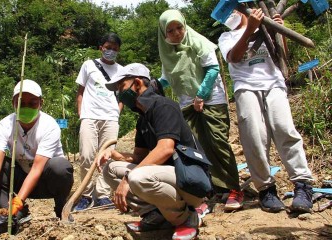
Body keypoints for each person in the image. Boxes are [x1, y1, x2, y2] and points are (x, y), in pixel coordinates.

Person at [98, 63, 209, 240]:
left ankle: (187, 218)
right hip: (169, 177)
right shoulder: (143, 119)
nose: (119, 93)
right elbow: (139, 157)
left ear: (137, 83)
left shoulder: (164, 106)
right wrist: (114, 154)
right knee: (111, 169)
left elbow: (165, 149)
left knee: (136, 176)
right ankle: (157, 215)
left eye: (121, 87)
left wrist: (127, 178)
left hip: (190, 181)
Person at [218, 9, 313, 213]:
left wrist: (279, 30)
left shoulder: (266, 24)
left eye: (233, 10)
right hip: (245, 87)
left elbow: (282, 54)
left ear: (243, 8)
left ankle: (303, 185)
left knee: (284, 128)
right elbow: (234, 57)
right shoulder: (226, 36)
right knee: (254, 136)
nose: (230, 15)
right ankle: (266, 189)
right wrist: (249, 29)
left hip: (274, 83)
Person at [158, 9, 244, 211]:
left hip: (211, 99)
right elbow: (165, 79)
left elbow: (212, 69)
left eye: (179, 27)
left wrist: (201, 96)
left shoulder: (199, 42)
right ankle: (208, 189)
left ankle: (233, 188)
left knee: (217, 142)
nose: (177, 33)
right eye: (170, 30)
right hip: (186, 103)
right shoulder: (167, 52)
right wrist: (148, 87)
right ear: (164, 34)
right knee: (195, 148)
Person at [0, 79, 74, 226]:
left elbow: (37, 168)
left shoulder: (49, 126)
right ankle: (11, 213)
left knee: (60, 167)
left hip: (45, 181)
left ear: (41, 103)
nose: (26, 108)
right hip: (19, 178)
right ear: (13, 103)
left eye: (32, 103)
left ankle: (62, 210)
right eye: (21, 103)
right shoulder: (5, 125)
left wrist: (19, 200)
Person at [74, 32, 123, 210]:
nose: (111, 51)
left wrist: (117, 112)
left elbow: (122, 95)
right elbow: (81, 90)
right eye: (108, 48)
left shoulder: (121, 70)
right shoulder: (88, 65)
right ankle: (85, 195)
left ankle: (102, 194)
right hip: (90, 116)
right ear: (101, 47)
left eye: (114, 49)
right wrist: (81, 113)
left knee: (107, 158)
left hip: (110, 118)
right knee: (86, 156)